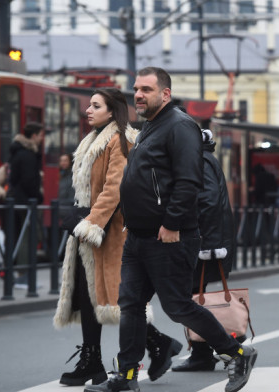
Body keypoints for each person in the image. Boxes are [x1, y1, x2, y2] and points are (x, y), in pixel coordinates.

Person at [85, 67, 257, 392]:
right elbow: (146, 180)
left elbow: (189, 182)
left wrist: (171, 223)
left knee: (178, 306)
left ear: (165, 93)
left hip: (169, 236)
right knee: (132, 305)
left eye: (146, 89)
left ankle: (237, 352)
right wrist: (133, 220)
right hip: (139, 236)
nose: (138, 94)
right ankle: (127, 376)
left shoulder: (180, 126)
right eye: (136, 89)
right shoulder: (151, 126)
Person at [54, 88, 182, 387]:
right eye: (89, 105)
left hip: (111, 230)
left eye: (95, 106)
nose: (88, 110)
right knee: (89, 295)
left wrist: (90, 223)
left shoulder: (120, 139)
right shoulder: (93, 140)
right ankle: (93, 360)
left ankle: (158, 343)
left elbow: (114, 190)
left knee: (120, 300)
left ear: (112, 111)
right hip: (92, 228)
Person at [172, 128, 238, 372]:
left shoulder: (198, 159)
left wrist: (206, 244)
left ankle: (215, 349)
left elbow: (209, 201)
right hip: (204, 239)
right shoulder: (201, 156)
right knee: (190, 295)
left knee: (189, 296)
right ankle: (202, 352)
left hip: (202, 241)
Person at [7, 122, 45, 288]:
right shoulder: (28, 155)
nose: (42, 139)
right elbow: (29, 181)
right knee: (28, 237)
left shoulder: (19, 152)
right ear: (34, 135)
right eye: (41, 135)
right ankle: (23, 275)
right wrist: (37, 196)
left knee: (25, 235)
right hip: (26, 202)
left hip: (19, 200)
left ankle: (22, 274)